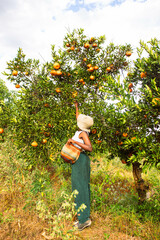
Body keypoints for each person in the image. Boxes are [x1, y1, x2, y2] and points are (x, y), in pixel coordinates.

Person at [67, 102, 94, 231]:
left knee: (80, 187)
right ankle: (83, 217)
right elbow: (78, 117)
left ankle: (83, 220)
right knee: (80, 186)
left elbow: (90, 148)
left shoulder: (83, 133)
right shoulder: (81, 130)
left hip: (81, 159)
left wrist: (74, 141)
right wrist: (76, 106)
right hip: (79, 160)